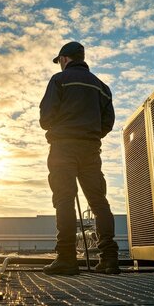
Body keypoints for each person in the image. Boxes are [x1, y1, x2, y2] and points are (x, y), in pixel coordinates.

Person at [39, 41, 120, 275]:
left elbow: (46, 118)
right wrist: (90, 134)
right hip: (91, 150)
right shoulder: (102, 87)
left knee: (64, 200)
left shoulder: (59, 80)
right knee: (99, 202)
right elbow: (108, 123)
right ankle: (110, 259)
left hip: (63, 148)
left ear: (65, 59)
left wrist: (64, 129)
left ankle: (66, 258)